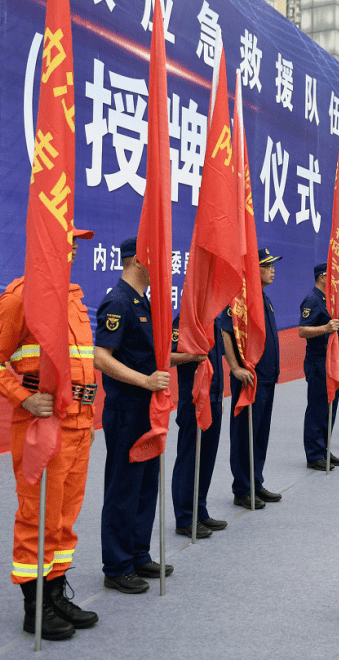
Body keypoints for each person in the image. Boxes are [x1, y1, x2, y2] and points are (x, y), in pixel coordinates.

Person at [0, 227, 99, 641]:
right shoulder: (21, 297)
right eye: (68, 239)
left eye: (78, 242)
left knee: (65, 518)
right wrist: (23, 399)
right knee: (38, 517)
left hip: (79, 423)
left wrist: (89, 417)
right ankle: (35, 608)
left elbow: (81, 366)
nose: (75, 248)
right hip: (41, 425)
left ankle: (56, 593)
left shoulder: (74, 298)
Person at [95, 237, 173, 595]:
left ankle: (138, 553)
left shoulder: (144, 302)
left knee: (145, 485)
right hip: (127, 409)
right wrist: (145, 381)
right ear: (138, 261)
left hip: (148, 410)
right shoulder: (119, 302)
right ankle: (116, 565)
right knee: (124, 486)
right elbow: (101, 358)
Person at [222, 248, 282, 510]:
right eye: (266, 265)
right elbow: (225, 331)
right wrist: (235, 367)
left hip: (267, 378)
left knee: (260, 434)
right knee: (245, 434)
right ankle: (242, 489)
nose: (272, 269)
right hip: (250, 379)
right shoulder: (239, 298)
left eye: (272, 265)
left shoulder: (263, 298)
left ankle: (256, 482)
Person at [169, 312, 227, 540]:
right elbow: (168, 356)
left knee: (207, 458)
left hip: (214, 398)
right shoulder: (186, 318)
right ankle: (184, 518)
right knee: (189, 457)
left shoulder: (214, 317)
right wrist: (192, 356)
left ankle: (200, 511)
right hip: (194, 399)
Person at [298, 263, 339, 471]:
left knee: (330, 407)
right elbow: (302, 330)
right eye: (332, 275)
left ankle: (324, 448)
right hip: (319, 362)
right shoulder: (313, 300)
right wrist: (325, 328)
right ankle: (314, 454)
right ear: (321, 277)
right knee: (318, 407)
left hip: (333, 361)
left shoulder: (330, 300)